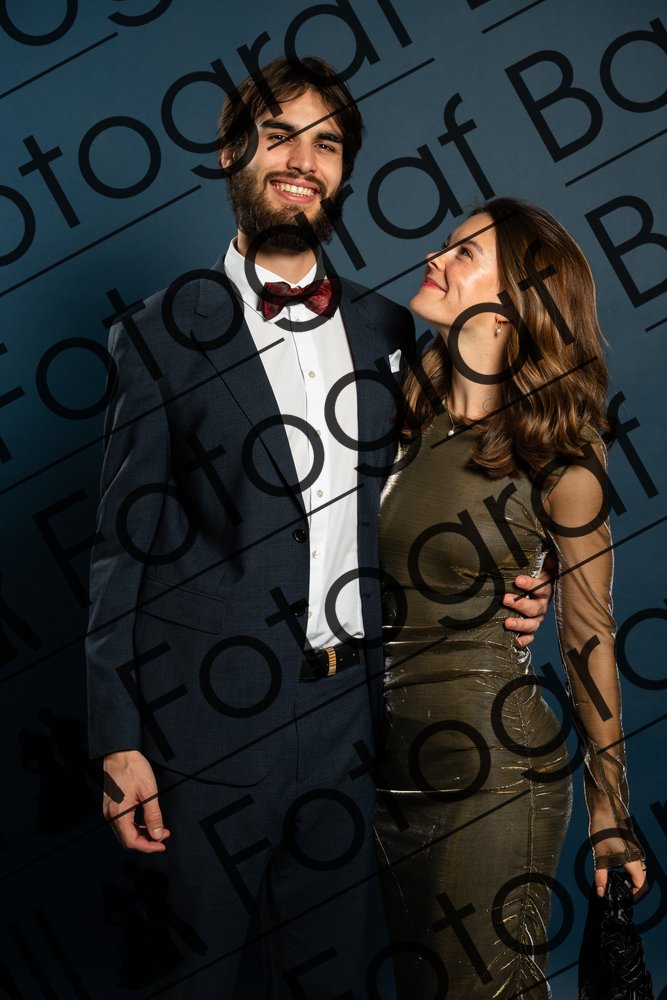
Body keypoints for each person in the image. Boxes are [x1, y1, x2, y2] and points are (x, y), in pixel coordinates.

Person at [86, 60, 548, 999]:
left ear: (342, 174)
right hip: (201, 734)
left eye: (326, 143)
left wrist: (516, 574)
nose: (302, 160)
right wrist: (117, 736)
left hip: (352, 728)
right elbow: (120, 550)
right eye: (278, 136)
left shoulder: (389, 331)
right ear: (232, 155)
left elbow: (444, 488)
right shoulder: (159, 333)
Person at [374, 196, 647, 999]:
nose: (434, 258)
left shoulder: (561, 453)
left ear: (514, 301)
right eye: (445, 243)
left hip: (492, 766)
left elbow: (588, 635)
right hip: (381, 759)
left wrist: (610, 817)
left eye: (463, 252)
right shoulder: (396, 406)